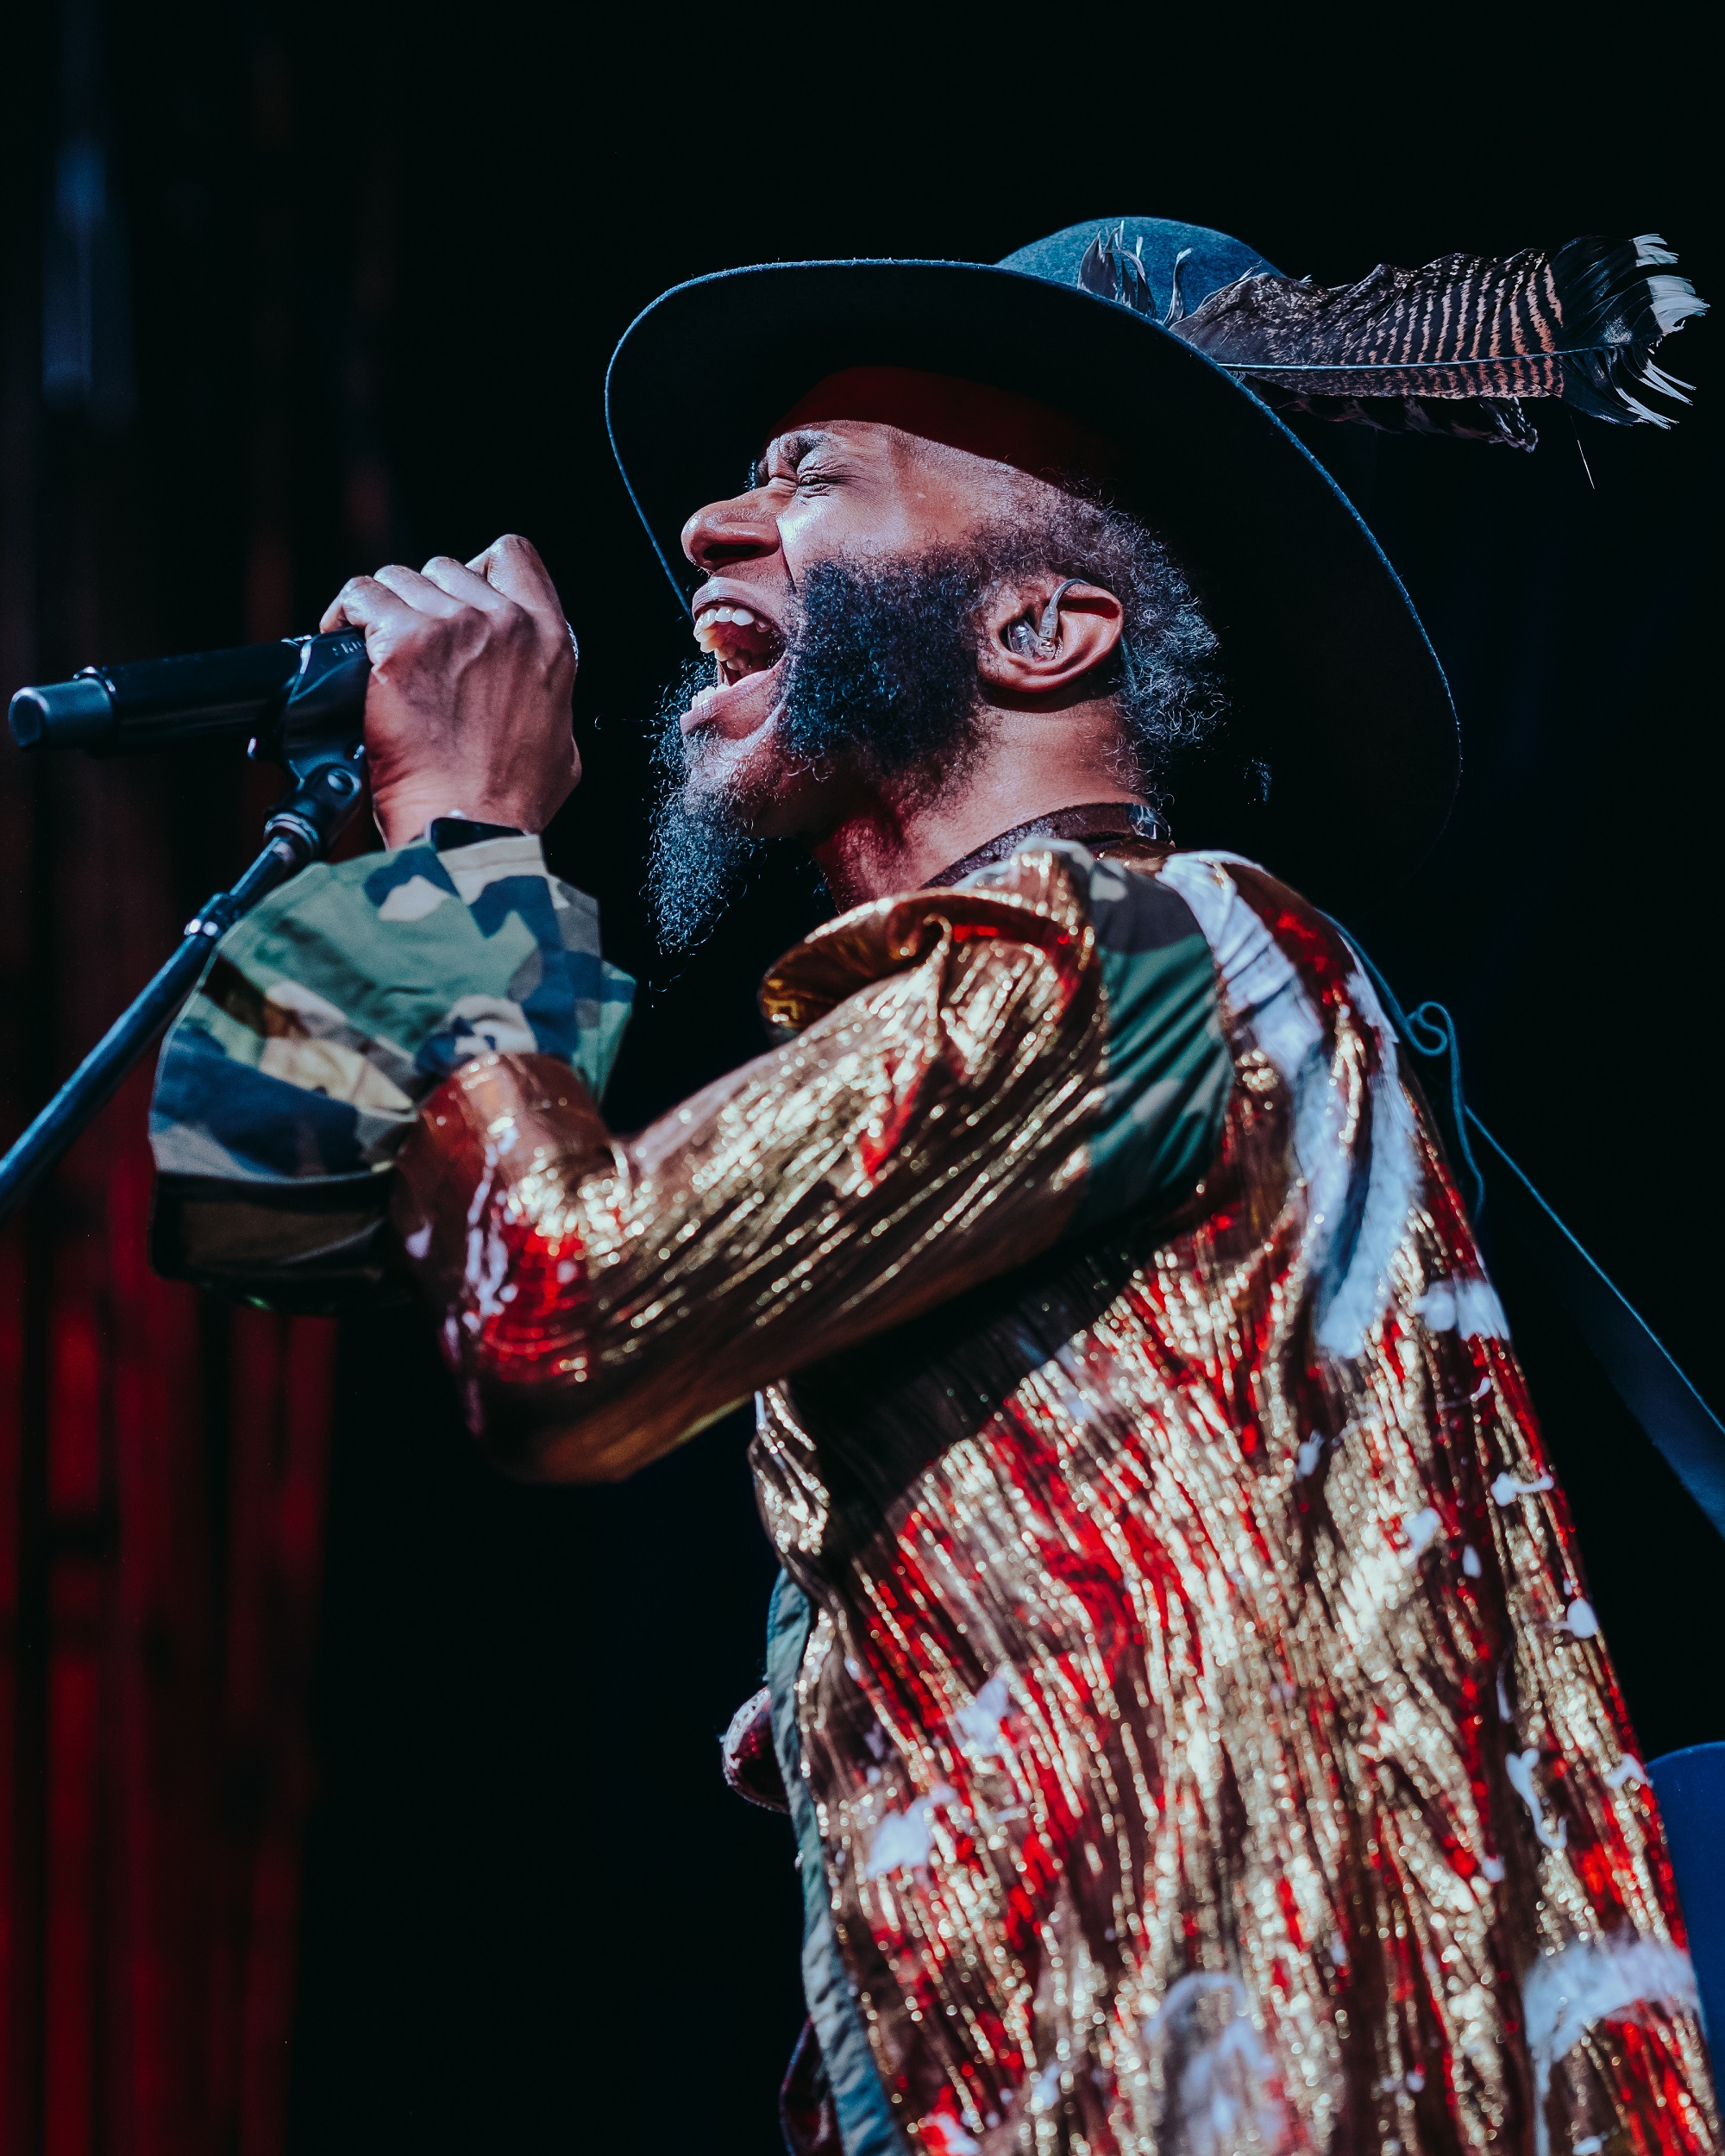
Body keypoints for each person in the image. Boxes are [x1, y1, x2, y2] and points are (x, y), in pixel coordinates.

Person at [149, 219, 1717, 2154]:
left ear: (1043, 630)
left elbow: (559, 1308)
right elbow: (270, 1217)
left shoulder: (1163, 950)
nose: (709, 528)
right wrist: (394, 869)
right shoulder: (1030, 1044)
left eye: (809, 475)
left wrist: (464, 831)